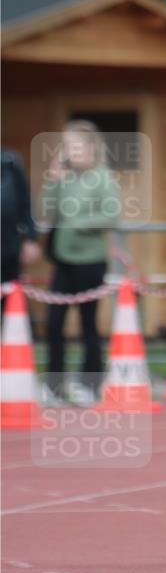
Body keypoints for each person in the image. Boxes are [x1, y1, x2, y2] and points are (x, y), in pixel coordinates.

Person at [41, 120, 120, 404]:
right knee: (53, 324)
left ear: (89, 148)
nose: (69, 152)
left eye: (74, 146)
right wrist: (53, 180)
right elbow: (47, 209)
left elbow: (111, 215)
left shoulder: (102, 177)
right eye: (66, 146)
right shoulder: (66, 177)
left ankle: (90, 385)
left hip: (90, 261)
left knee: (88, 325)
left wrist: (77, 223)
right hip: (63, 260)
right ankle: (54, 386)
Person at [1, 147, 41, 302]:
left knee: (11, 302)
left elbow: (25, 203)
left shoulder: (10, 161)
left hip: (8, 249)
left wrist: (30, 238)